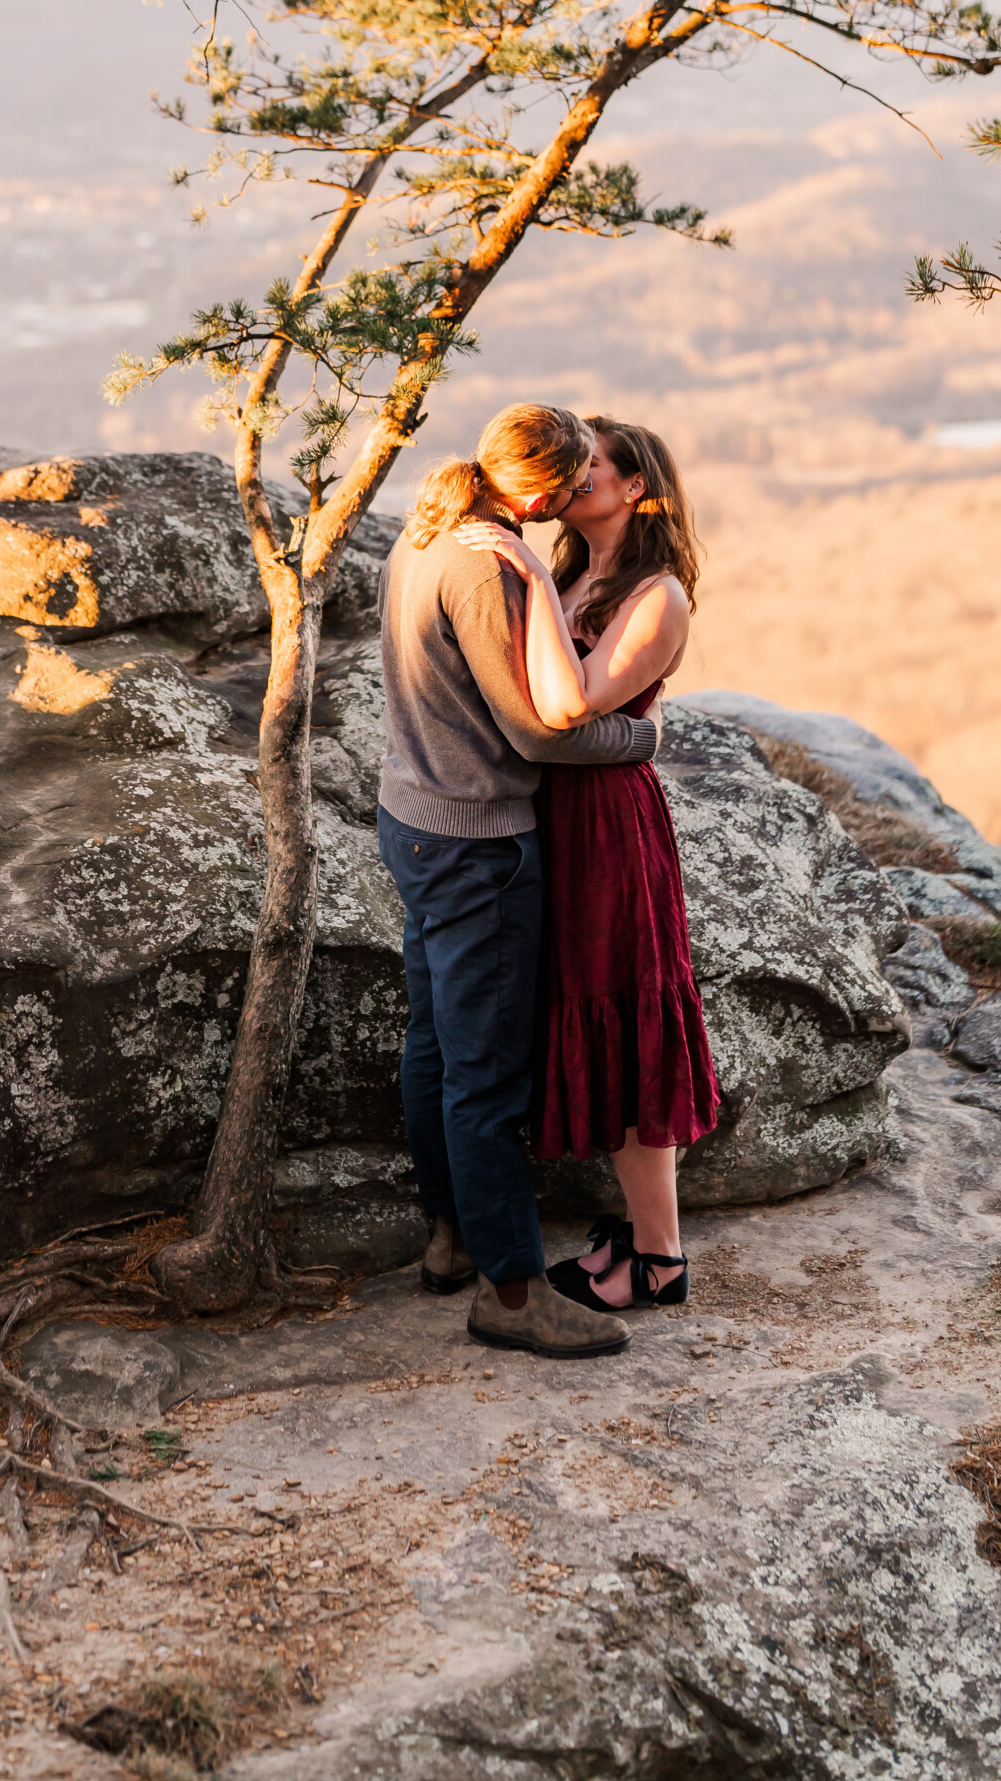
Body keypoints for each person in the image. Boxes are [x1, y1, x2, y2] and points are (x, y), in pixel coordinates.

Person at [376, 402, 661, 1362]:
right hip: (478, 846)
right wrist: (641, 737)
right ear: (538, 492)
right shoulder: (489, 563)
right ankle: (511, 1291)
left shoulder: (423, 530)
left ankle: (453, 1237)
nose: (576, 498)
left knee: (433, 1046)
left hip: (410, 819)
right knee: (485, 1075)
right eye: (571, 484)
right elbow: (539, 728)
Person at [455, 416, 719, 1313]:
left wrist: (523, 569)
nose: (575, 476)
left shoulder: (658, 596)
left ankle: (661, 1257)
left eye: (594, 466)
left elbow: (570, 707)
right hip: (547, 815)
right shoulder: (572, 570)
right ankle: (642, 1241)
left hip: (606, 823)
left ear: (635, 488)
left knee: (627, 1022)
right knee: (580, 1016)